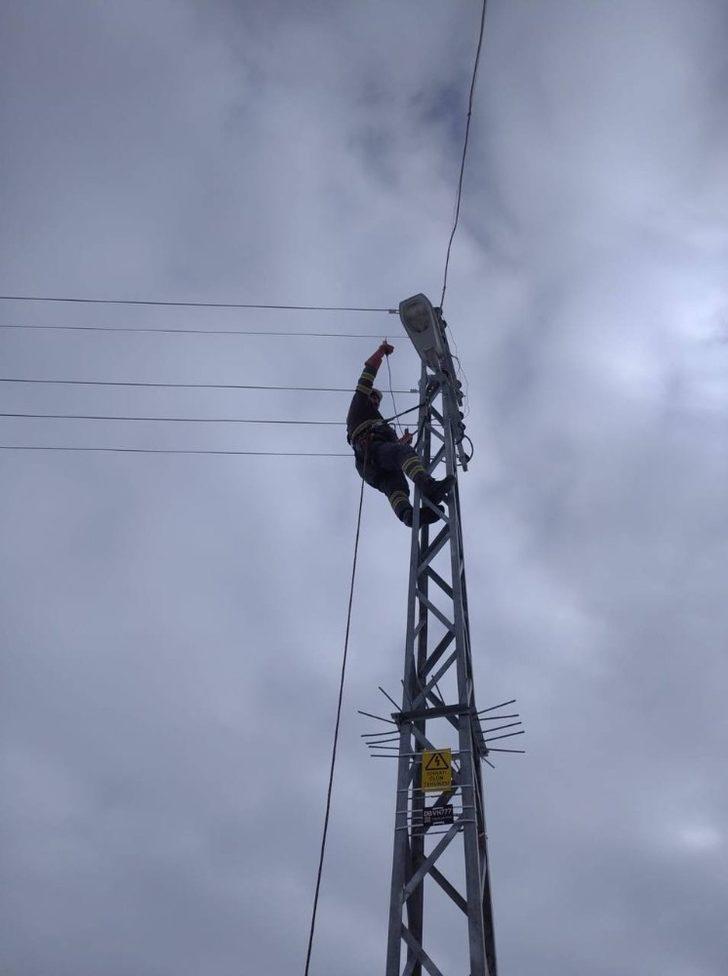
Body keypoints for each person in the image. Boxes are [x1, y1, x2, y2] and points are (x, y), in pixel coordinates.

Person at [346, 342, 453, 527]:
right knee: (402, 453)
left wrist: (403, 440)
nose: (375, 401)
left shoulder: (378, 423)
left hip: (371, 464)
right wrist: (380, 352)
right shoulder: (359, 405)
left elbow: (391, 449)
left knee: (397, 487)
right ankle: (429, 486)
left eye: (378, 400)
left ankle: (408, 516)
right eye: (373, 396)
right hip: (370, 451)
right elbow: (367, 374)